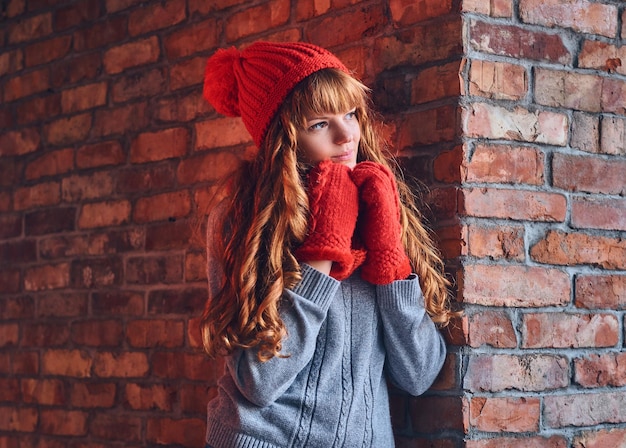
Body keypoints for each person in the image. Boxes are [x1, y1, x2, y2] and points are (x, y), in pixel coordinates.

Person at [200, 41, 455, 448]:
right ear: (282, 138)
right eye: (319, 124)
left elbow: (420, 375)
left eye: (351, 114)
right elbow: (259, 382)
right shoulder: (241, 218)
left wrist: (390, 260)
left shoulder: (379, 201)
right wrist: (324, 250)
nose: (346, 135)